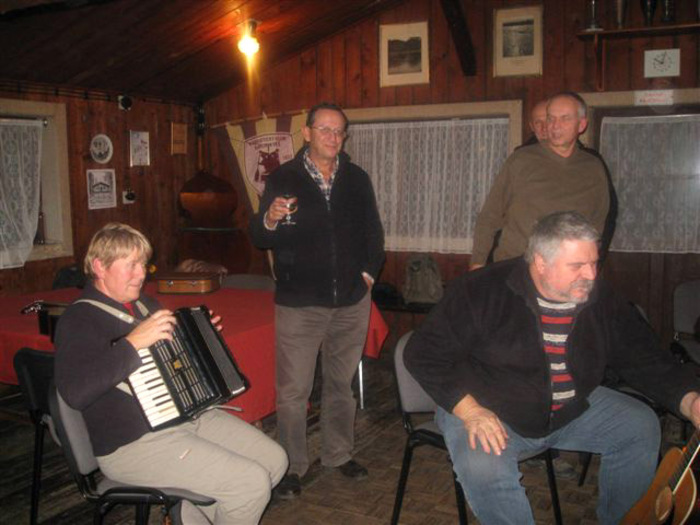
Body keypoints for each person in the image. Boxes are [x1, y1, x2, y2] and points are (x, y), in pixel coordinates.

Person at [405, 211, 700, 524]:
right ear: (540, 263)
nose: (590, 275)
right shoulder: (480, 290)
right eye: (577, 266)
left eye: (594, 262)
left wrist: (690, 399)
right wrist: (470, 410)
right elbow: (422, 353)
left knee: (639, 425)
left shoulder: (599, 298)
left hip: (565, 410)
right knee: (484, 469)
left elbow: (644, 357)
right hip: (485, 409)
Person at [54, 223, 288, 525]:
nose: (141, 274)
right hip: (132, 444)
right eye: (131, 265)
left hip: (185, 418)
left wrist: (200, 338)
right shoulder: (79, 319)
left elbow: (173, 366)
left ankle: (188, 514)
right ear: (100, 266)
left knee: (274, 461)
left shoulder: (145, 305)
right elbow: (74, 393)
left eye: (143, 264)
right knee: (249, 484)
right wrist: (132, 344)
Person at [249, 102, 385, 498]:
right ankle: (292, 467)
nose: (332, 136)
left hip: (351, 301)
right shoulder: (283, 177)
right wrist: (271, 218)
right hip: (300, 303)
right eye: (324, 129)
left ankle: (338, 455)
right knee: (294, 391)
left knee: (341, 384)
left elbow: (374, 234)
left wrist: (367, 275)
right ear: (307, 133)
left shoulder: (357, 178)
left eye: (338, 130)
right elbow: (259, 235)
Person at [470, 92, 610, 270]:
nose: (555, 126)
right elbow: (490, 216)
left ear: (581, 124)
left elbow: (597, 224)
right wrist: (477, 264)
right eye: (551, 118)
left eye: (565, 118)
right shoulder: (521, 159)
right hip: (516, 266)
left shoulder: (593, 166)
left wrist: (588, 264)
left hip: (566, 270)